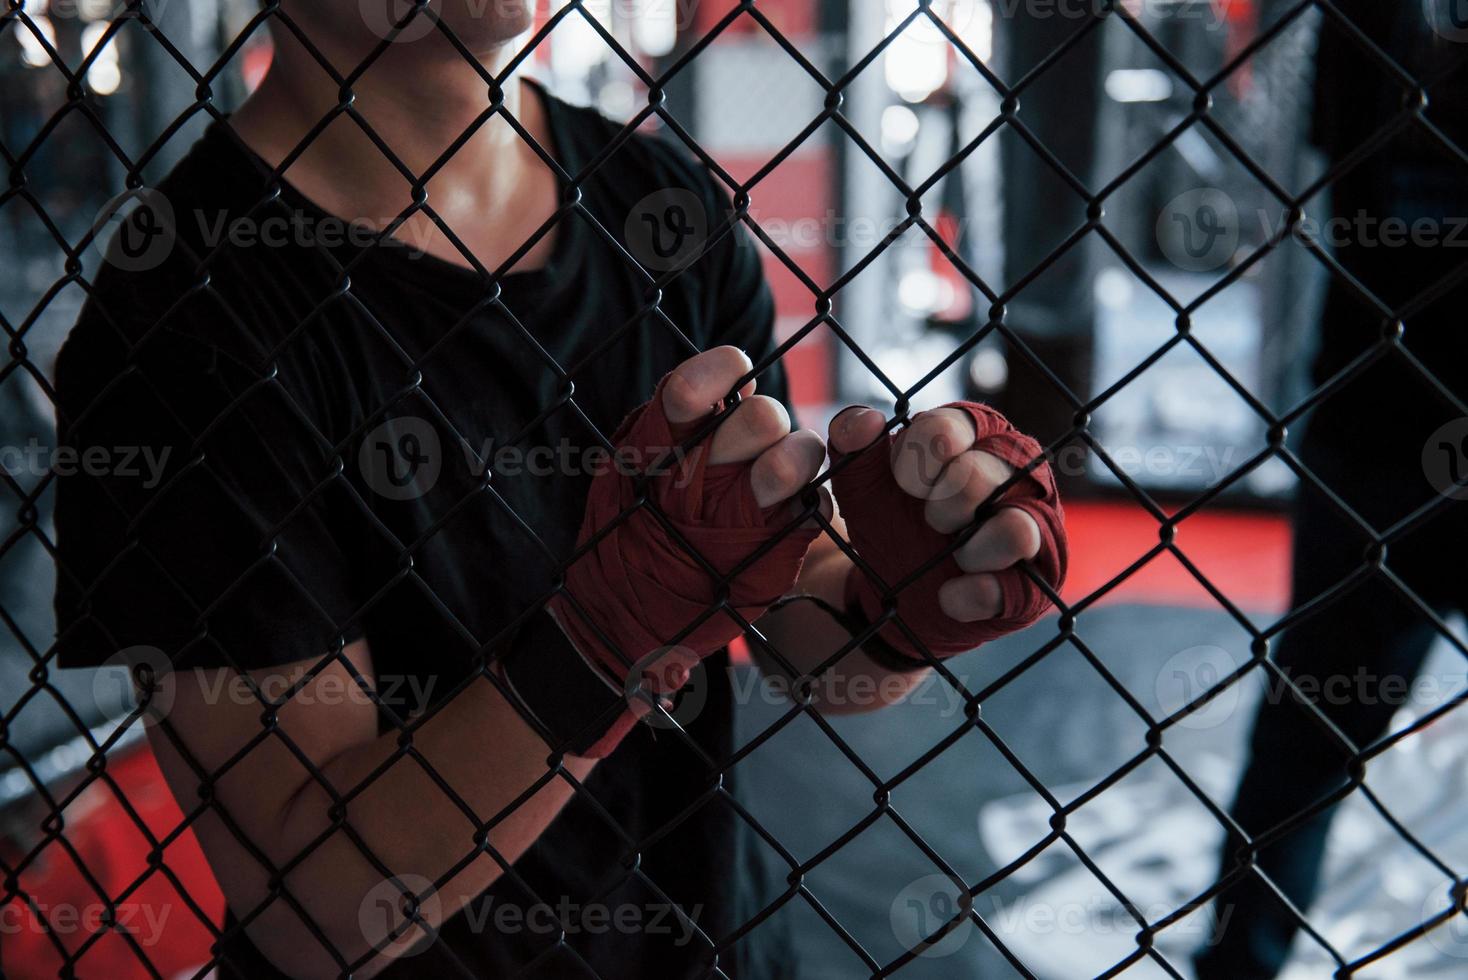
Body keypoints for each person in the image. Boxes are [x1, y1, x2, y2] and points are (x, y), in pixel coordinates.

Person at [52, 4, 1067, 978]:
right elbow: (318, 913)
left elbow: (802, 629)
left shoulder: (660, 205)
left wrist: (905, 597)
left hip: (706, 937)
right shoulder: (187, 322)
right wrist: (605, 637)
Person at [1195, 4, 1468, 976]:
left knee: (1302, 740)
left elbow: (1325, 152)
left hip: (1372, 414)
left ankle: (1238, 963)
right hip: (1376, 420)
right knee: (1304, 738)